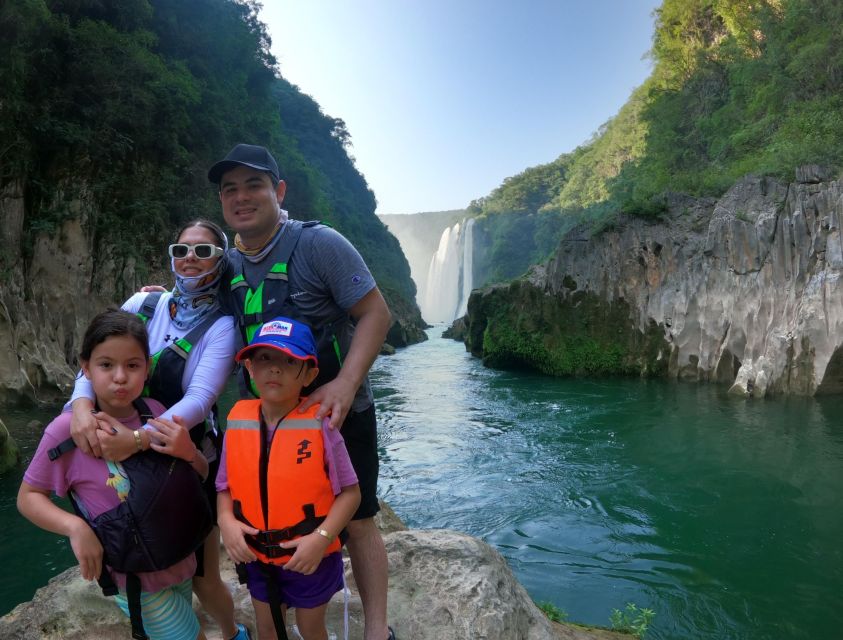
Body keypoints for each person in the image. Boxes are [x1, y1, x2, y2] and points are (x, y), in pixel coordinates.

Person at [209, 143, 395, 640]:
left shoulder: (319, 244)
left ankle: (376, 629)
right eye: (231, 190)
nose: (242, 197)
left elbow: (376, 313)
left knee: (359, 518)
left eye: (254, 185)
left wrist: (344, 384)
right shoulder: (226, 265)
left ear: (279, 191)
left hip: (339, 410)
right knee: (274, 513)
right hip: (269, 420)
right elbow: (187, 307)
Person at [68, 220, 249, 640]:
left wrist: (136, 439)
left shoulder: (222, 325)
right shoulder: (143, 304)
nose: (190, 258)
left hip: (182, 453)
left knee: (202, 576)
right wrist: (79, 406)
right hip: (127, 452)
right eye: (181, 250)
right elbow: (98, 355)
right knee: (154, 562)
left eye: (204, 252)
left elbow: (200, 399)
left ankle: (232, 632)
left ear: (221, 261)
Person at [18, 309, 211, 640]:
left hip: (180, 558)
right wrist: (75, 527)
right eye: (106, 365)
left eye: (132, 365)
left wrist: (189, 453)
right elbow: (27, 498)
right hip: (136, 580)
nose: (120, 377)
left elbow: (200, 477)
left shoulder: (156, 412)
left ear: (147, 369)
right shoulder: (67, 430)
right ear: (86, 368)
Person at [217, 316, 361, 640]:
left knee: (311, 629)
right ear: (250, 369)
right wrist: (226, 521)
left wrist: (321, 537)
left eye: (289, 360)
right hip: (256, 555)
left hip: (310, 556)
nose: (275, 368)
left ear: (310, 374)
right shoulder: (239, 423)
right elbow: (223, 486)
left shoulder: (323, 427)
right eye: (265, 359)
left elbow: (351, 493)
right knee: (268, 628)